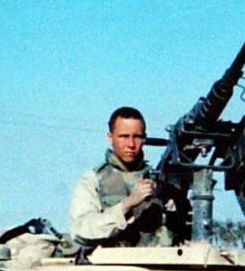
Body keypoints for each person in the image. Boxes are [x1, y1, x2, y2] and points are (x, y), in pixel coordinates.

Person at [69, 106, 187, 249]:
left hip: (157, 264)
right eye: (123, 137)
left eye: (137, 137)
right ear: (110, 137)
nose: (131, 144)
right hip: (110, 267)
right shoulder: (93, 179)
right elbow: (81, 232)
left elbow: (183, 230)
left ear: (144, 138)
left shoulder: (160, 181)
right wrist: (128, 204)